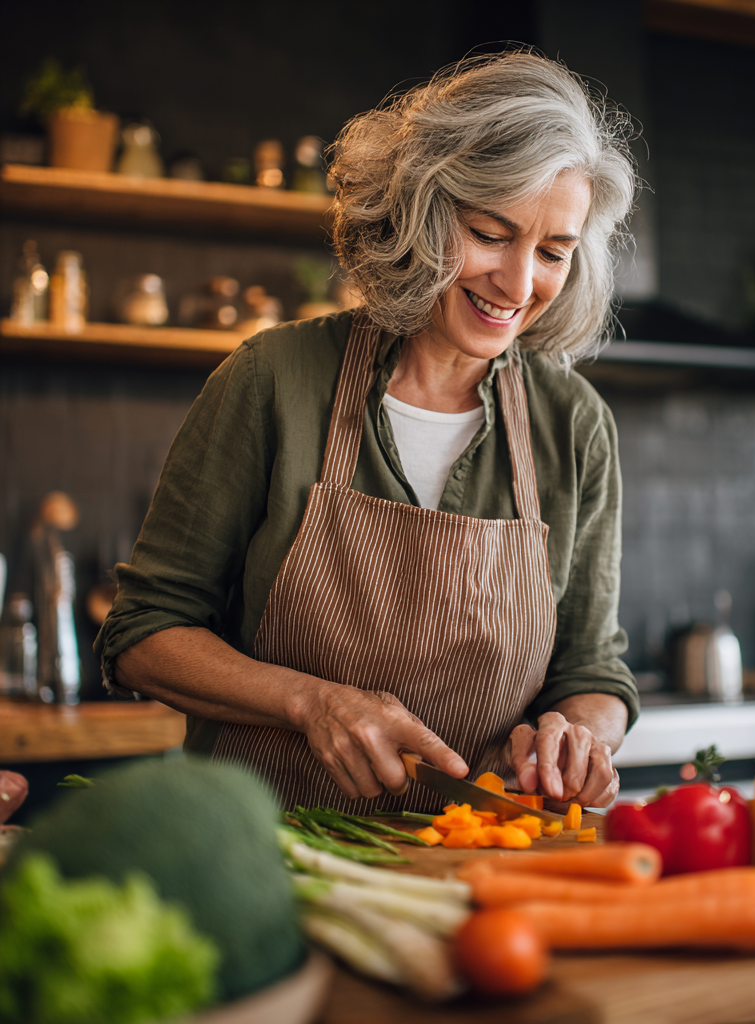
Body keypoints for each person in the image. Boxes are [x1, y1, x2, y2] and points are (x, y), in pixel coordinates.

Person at [96, 51, 640, 814]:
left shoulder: (573, 424)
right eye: (490, 233)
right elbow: (144, 634)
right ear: (419, 210)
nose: (519, 287)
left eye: (554, 253)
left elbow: (594, 670)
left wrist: (577, 733)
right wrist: (309, 702)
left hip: (480, 865)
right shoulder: (273, 381)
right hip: (273, 858)